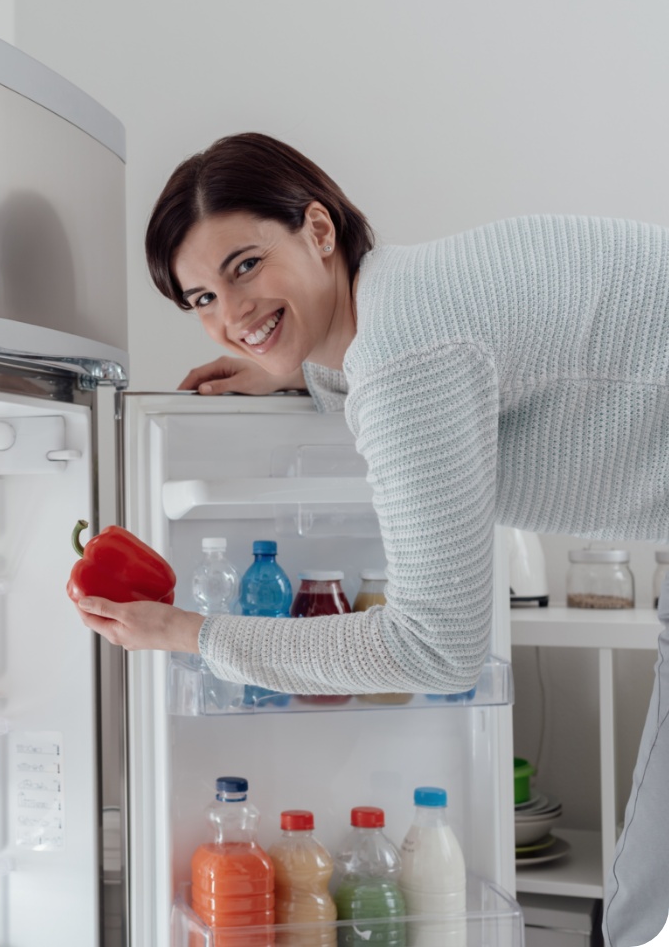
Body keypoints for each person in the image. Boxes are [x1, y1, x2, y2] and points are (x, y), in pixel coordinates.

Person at [70, 133, 669, 946]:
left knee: (650, 906)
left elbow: (435, 651)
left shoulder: (404, 354)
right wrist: (301, 368)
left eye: (245, 266)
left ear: (319, 230)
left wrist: (191, 635)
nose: (231, 315)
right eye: (202, 298)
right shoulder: (406, 304)